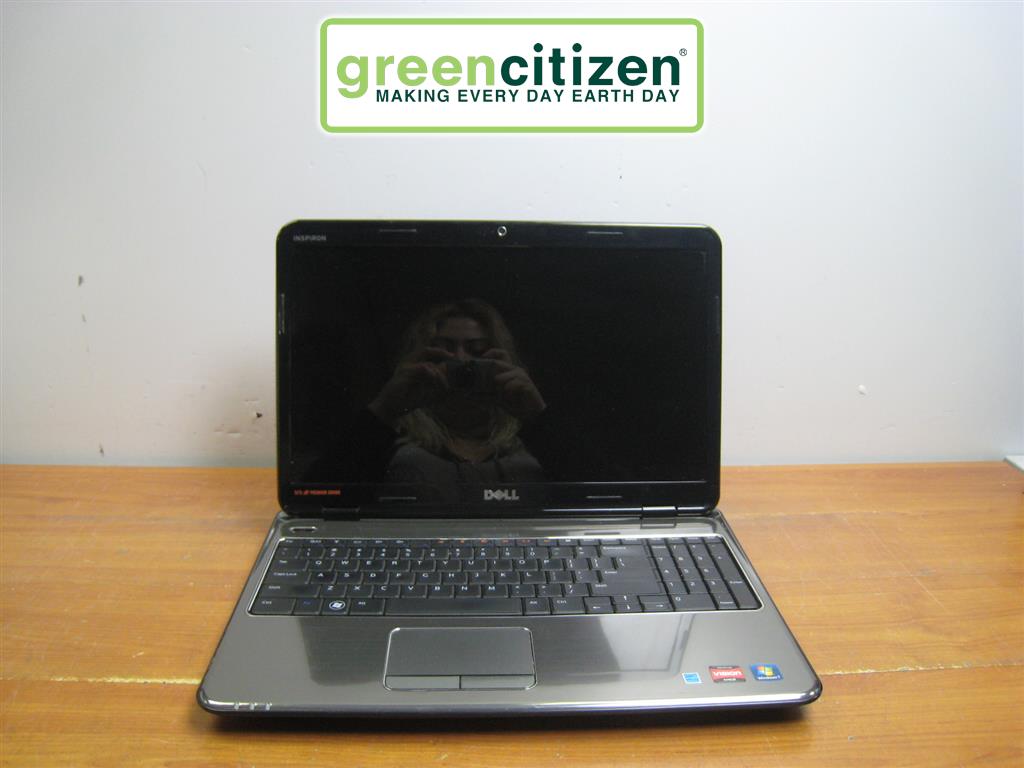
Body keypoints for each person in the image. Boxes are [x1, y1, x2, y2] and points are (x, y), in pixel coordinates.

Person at [365, 299, 547, 496]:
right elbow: (344, 488)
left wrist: (537, 414)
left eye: (478, 351)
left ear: (502, 363)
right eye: (444, 350)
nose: (461, 360)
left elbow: (571, 480)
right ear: (422, 360)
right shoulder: (394, 440)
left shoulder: (528, 443)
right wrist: (385, 409)